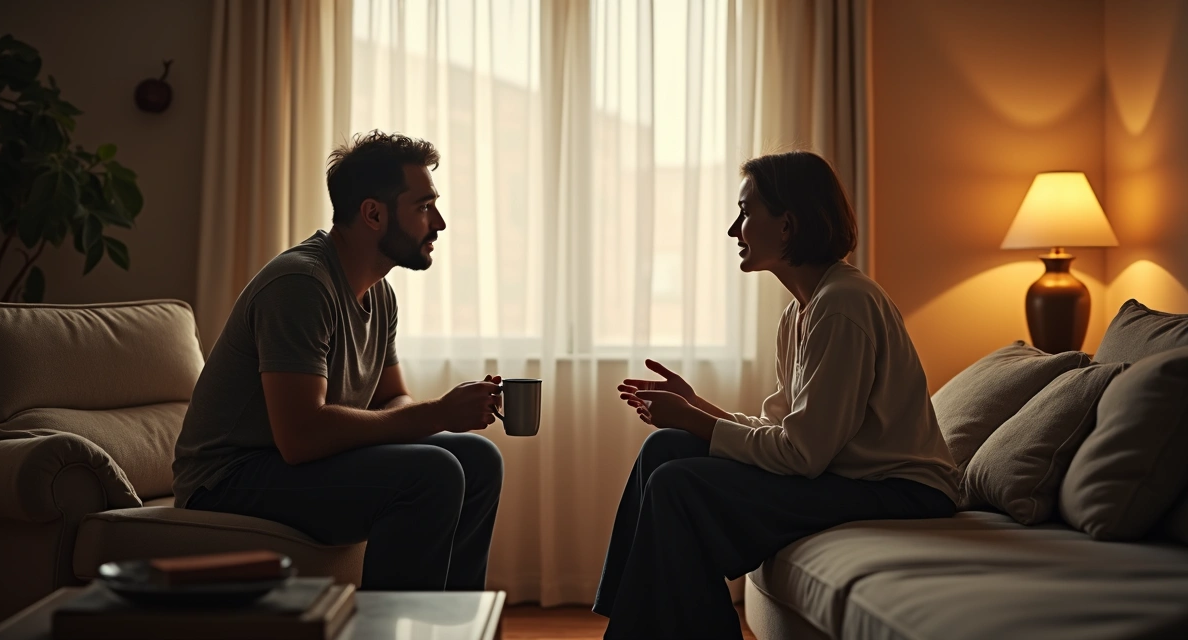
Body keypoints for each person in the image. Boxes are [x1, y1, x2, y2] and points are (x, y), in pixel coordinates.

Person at [593, 151, 959, 638]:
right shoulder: (801, 312)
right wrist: (695, 407)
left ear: (787, 225)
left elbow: (802, 454)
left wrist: (695, 419)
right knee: (665, 449)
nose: (734, 230)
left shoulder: (843, 305)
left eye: (745, 213)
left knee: (677, 486)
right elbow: (782, 433)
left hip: (902, 492)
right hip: (850, 477)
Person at [172, 131, 505, 591]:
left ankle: (452, 621)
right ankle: (391, 623)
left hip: (293, 466)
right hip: (228, 479)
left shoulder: (380, 294)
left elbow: (393, 397)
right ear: (373, 214)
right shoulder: (301, 284)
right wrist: (438, 415)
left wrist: (431, 419)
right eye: (424, 206)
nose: (440, 222)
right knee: (433, 473)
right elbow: (300, 436)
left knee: (479, 459)